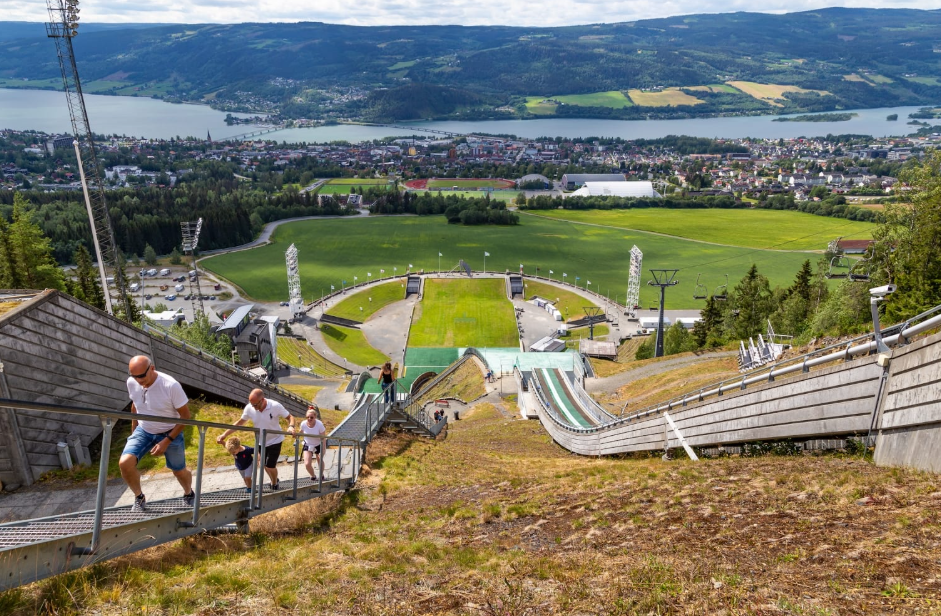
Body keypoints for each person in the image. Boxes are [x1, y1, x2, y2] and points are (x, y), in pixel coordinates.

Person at [121, 355, 194, 513]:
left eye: (142, 376)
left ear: (152, 368)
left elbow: (186, 416)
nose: (139, 380)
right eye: (134, 376)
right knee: (124, 464)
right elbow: (135, 405)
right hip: (144, 429)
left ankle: (189, 493)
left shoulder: (170, 385)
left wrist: (167, 441)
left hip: (169, 431)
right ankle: (139, 497)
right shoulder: (132, 382)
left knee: (179, 471)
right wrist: (133, 430)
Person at [216, 389, 295, 490]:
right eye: (252, 404)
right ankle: (274, 479)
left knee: (270, 466)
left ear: (262, 400)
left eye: (256, 405)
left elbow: (290, 417)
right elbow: (239, 423)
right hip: (261, 441)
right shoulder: (250, 408)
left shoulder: (275, 406)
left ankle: (274, 483)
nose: (254, 407)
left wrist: (291, 426)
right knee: (263, 465)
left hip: (275, 439)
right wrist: (224, 434)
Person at [299, 405, 326, 481]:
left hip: (318, 444)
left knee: (319, 459)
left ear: (315, 417)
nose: (309, 419)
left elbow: (323, 437)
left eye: (311, 417)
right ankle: (313, 475)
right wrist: (295, 435)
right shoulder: (303, 424)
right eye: (308, 417)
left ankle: (321, 474)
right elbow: (301, 431)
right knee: (307, 463)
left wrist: (323, 449)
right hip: (308, 444)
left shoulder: (319, 424)